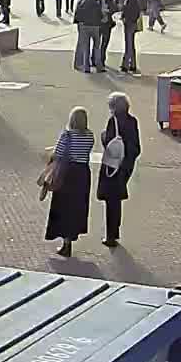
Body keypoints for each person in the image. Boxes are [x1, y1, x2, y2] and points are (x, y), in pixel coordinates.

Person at [43, 106, 96, 257]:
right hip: (83, 173)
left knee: (63, 207)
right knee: (77, 207)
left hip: (67, 173)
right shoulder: (89, 135)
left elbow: (59, 154)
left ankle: (65, 243)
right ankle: (71, 236)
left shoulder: (67, 135)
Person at [98, 92, 142, 248]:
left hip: (113, 166)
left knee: (111, 201)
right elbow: (137, 148)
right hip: (126, 167)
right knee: (116, 200)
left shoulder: (113, 121)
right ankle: (114, 233)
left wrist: (103, 137)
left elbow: (109, 144)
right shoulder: (133, 121)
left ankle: (110, 236)